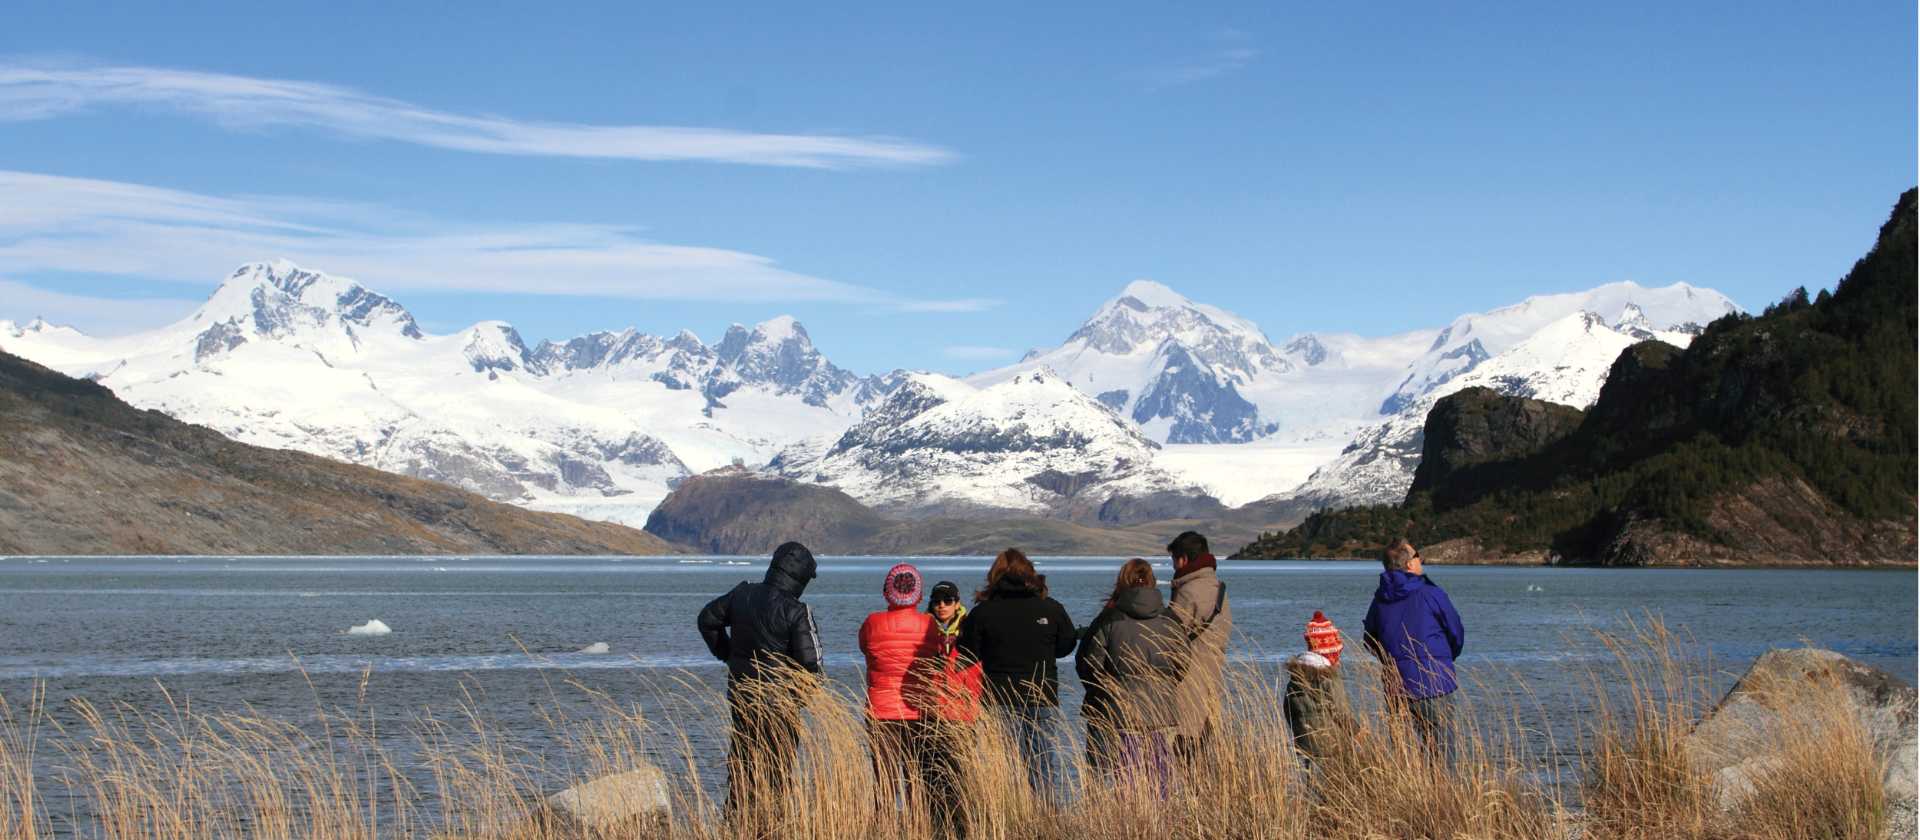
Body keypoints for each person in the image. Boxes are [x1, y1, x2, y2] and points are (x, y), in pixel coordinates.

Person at [696, 541, 824, 817]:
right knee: (778, 769)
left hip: (743, 697)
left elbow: (706, 620)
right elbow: (811, 663)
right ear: (801, 577)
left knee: (742, 762)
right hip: (781, 706)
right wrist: (801, 696)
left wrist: (727, 654)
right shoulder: (797, 611)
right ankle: (771, 823)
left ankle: (735, 822)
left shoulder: (743, 594)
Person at [955, 548, 1077, 799]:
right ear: (1030, 573)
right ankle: (1045, 817)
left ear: (994, 575)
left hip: (1000, 697)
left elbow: (967, 654)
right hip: (1041, 694)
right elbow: (1066, 646)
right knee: (1042, 763)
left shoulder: (984, 612)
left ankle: (1011, 817)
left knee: (1007, 764)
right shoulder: (1050, 608)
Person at [1075, 558, 1187, 791]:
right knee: (1160, 772)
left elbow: (1088, 663)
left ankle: (1131, 821)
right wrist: (1165, 685)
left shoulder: (1110, 619)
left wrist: (1105, 692)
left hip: (1118, 709)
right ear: (1152, 582)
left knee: (1126, 774)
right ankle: (1161, 820)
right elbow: (1183, 662)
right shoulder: (1170, 620)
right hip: (1161, 707)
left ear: (1122, 582)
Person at [1362, 538, 1466, 760]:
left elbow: (1369, 639)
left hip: (1396, 684)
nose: (1421, 559)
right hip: (1435, 682)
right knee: (1443, 751)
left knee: (1405, 757)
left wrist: (1391, 661)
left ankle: (1409, 794)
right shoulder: (1431, 593)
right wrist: (1445, 659)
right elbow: (1455, 631)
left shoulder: (1380, 599)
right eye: (1418, 554)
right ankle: (1442, 793)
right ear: (1409, 564)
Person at [858, 563, 942, 810]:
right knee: (916, 773)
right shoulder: (929, 624)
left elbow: (865, 648)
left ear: (888, 591)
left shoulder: (873, 622)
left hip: (881, 710)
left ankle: (883, 824)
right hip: (919, 709)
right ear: (918, 593)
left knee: (884, 773)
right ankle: (917, 824)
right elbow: (937, 655)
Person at [919, 580, 981, 836]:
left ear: (957, 603)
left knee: (958, 777)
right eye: (937, 601)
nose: (941, 606)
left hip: (962, 715)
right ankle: (937, 829)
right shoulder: (924, 629)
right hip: (932, 714)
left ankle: (961, 829)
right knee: (932, 778)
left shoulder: (970, 629)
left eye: (947, 601)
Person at [1165, 531, 1232, 763]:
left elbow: (1169, 637)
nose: (1173, 565)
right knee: (1201, 751)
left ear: (1183, 559)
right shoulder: (1219, 589)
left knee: (1182, 750)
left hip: (1188, 682)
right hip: (1213, 679)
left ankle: (1186, 799)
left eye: (1173, 559)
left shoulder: (1188, 591)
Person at [1284, 611, 1354, 767]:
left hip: (1304, 742)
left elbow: (1288, 711)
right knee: (1331, 783)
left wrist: (1298, 731)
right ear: (1331, 651)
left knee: (1310, 780)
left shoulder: (1295, 677)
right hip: (1331, 744)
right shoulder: (1329, 678)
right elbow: (1340, 711)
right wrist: (1356, 732)